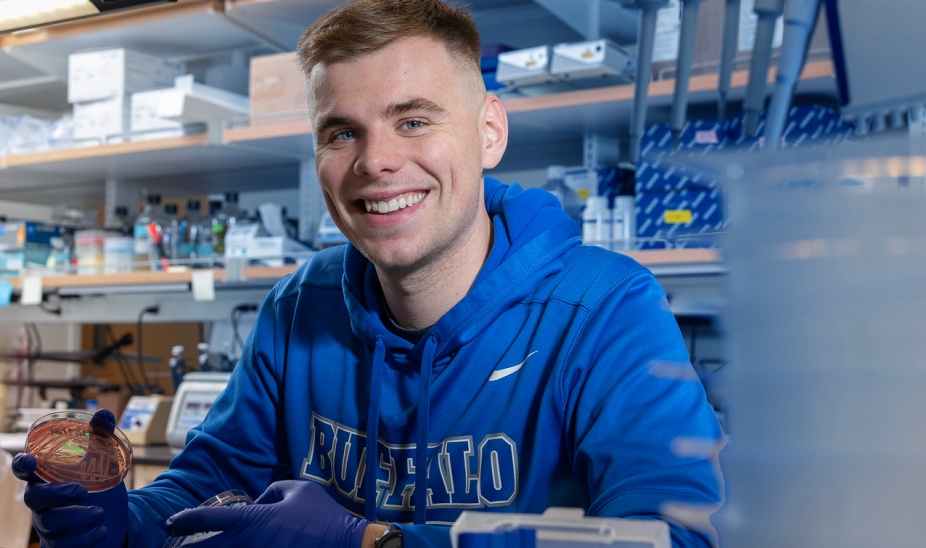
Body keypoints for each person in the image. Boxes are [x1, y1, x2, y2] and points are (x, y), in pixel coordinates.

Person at [12, 0, 725, 546]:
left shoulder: (605, 310)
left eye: (413, 121)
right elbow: (207, 486)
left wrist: (373, 541)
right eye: (342, 131)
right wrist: (120, 523)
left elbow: (673, 536)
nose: (375, 161)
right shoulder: (299, 307)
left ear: (489, 134)